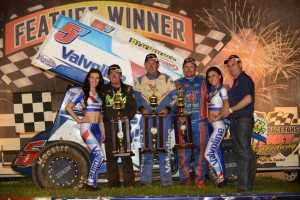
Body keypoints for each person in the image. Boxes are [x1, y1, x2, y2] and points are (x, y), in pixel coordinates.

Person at [134, 53, 177, 186]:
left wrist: (168, 109)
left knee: (164, 150)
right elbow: (136, 99)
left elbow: (176, 97)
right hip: (146, 120)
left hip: (163, 119)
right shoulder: (140, 81)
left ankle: (167, 182)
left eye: (154, 63)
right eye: (149, 63)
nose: (151, 65)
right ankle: (145, 181)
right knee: (147, 149)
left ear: (158, 64)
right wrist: (141, 109)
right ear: (145, 65)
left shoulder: (167, 79)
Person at [65, 68, 106, 190]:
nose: (94, 80)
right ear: (88, 78)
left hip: (98, 127)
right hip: (87, 127)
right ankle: (89, 183)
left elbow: (101, 112)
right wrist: (78, 120)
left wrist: (102, 127)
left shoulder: (100, 93)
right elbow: (68, 107)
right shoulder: (83, 92)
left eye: (97, 78)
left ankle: (93, 184)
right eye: (92, 77)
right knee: (100, 155)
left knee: (95, 156)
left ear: (99, 80)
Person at [220, 55, 255, 192]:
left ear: (240, 64)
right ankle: (244, 183)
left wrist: (230, 109)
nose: (231, 67)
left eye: (233, 64)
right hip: (237, 121)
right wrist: (228, 90)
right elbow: (238, 97)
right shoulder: (237, 81)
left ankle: (245, 186)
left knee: (243, 152)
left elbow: (247, 99)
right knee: (240, 152)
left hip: (243, 120)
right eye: (229, 65)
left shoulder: (244, 80)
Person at [174, 57, 209, 188]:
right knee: (183, 153)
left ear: (196, 69)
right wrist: (177, 117)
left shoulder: (203, 81)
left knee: (200, 152)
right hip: (183, 124)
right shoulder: (176, 83)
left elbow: (214, 92)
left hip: (200, 123)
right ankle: (184, 180)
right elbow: (172, 104)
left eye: (191, 67)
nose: (189, 69)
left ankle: (200, 179)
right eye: (186, 67)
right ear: (183, 69)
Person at [103, 64, 137, 188]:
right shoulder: (103, 89)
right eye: (111, 74)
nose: (114, 76)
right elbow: (100, 107)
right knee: (111, 156)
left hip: (124, 126)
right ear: (108, 76)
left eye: (116, 73)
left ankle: (130, 184)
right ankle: (113, 184)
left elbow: (134, 107)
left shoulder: (128, 89)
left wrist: (127, 116)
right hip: (109, 127)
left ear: (120, 75)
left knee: (126, 155)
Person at [204, 66, 229, 188]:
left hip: (219, 127)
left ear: (219, 76)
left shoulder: (222, 90)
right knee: (210, 153)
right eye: (209, 77)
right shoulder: (211, 91)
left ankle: (221, 178)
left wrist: (218, 117)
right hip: (213, 127)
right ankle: (221, 179)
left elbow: (226, 107)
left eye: (214, 75)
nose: (211, 78)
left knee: (208, 154)